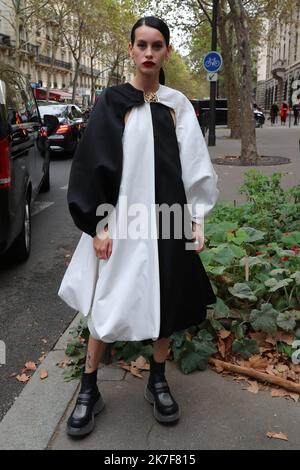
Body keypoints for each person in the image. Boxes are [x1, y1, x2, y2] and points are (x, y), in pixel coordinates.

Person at [58, 16, 219, 437]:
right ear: (131, 49)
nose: (149, 52)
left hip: (166, 223)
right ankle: (89, 389)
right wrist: (97, 226)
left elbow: (195, 165)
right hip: (120, 222)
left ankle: (158, 380)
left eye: (157, 45)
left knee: (164, 302)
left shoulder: (177, 105)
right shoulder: (112, 102)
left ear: (166, 52)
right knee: (105, 303)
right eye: (142, 44)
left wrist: (196, 218)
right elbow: (91, 165)